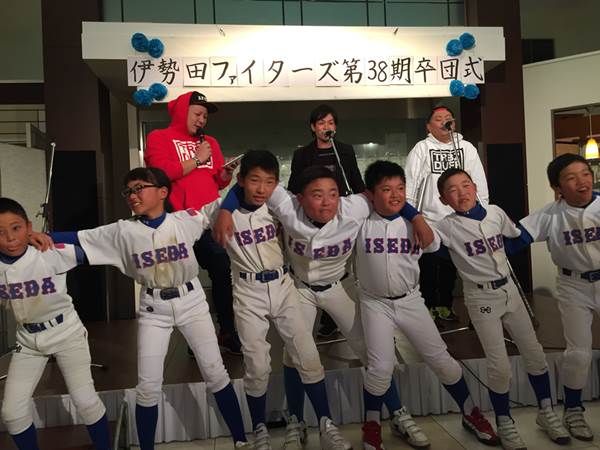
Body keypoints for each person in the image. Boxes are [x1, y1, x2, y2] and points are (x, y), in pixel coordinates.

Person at [215, 165, 433, 449]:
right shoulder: (287, 204)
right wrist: (225, 210)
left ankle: (398, 413)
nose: (327, 202)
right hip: (300, 288)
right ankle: (296, 420)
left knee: (371, 350)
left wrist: (416, 217)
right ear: (300, 197)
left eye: (332, 194)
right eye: (317, 195)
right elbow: (251, 183)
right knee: (295, 355)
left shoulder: (353, 207)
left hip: (341, 286)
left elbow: (386, 196)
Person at [34, 168, 251, 450]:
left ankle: (241, 441)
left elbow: (231, 197)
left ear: (162, 192)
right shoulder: (122, 231)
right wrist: (32, 235)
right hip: (153, 308)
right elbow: (78, 237)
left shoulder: (184, 220)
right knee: (148, 387)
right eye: (128, 191)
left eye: (139, 188)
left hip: (192, 302)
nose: (132, 195)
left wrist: (227, 208)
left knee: (216, 374)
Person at [356, 161, 499, 450]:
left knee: (442, 362)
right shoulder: (360, 223)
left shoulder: (415, 223)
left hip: (411, 300)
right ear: (371, 194)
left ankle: (470, 413)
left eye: (400, 188)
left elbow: (432, 243)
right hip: (374, 303)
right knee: (380, 368)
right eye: (386, 189)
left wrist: (416, 216)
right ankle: (371, 426)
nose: (395, 195)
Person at [222, 150, 351, 450]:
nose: (261, 188)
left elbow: (297, 203)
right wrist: (226, 209)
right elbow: (183, 222)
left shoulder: (276, 205)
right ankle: (260, 430)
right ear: (240, 180)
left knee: (307, 355)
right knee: (257, 365)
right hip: (247, 290)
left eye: (269, 182)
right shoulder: (220, 208)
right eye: (254, 180)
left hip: (283, 285)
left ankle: (326, 424)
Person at [435, 168, 570, 450]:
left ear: (475, 187)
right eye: (452, 190)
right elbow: (430, 246)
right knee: (499, 365)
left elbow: (513, 237)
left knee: (535, 353)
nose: (461, 193)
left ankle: (546, 411)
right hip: (480, 295)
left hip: (509, 289)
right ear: (444, 199)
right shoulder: (446, 226)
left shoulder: (495, 212)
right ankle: (504, 421)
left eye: (465, 185)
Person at [0, 197, 111, 450]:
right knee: (12, 413)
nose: (10, 238)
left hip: (66, 332)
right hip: (28, 340)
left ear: (29, 227)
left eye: (16, 228)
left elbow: (95, 245)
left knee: (85, 401)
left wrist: (48, 235)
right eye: (0, 232)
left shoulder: (48, 251)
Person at [144, 90, 241, 354]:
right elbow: (159, 175)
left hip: (208, 221)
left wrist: (225, 173)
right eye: (198, 114)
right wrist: (197, 159)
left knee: (222, 271)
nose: (202, 120)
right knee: (185, 280)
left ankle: (227, 331)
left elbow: (217, 181)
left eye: (205, 117)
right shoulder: (159, 137)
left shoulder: (210, 142)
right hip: (177, 221)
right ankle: (195, 340)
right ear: (181, 112)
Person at [515, 154, 599, 441]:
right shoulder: (550, 214)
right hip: (573, 284)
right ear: (557, 187)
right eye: (571, 178)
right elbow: (514, 239)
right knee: (578, 353)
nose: (582, 181)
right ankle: (573, 410)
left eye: (585, 173)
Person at [287, 104, 365, 339]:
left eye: (330, 123)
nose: (326, 127)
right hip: (313, 217)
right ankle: (320, 313)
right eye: (321, 123)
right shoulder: (302, 154)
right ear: (313, 127)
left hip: (341, 214)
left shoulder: (345, 151)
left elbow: (356, 182)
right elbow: (294, 186)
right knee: (317, 263)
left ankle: (333, 318)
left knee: (341, 268)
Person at [405, 106, 489, 322]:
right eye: (438, 119)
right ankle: (428, 306)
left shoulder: (466, 148)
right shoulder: (422, 148)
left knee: (452, 263)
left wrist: (484, 210)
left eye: (448, 118)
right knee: (429, 264)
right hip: (430, 218)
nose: (444, 121)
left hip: (460, 218)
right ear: (428, 126)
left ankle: (445, 305)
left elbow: (478, 181)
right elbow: (411, 184)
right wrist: (410, 216)